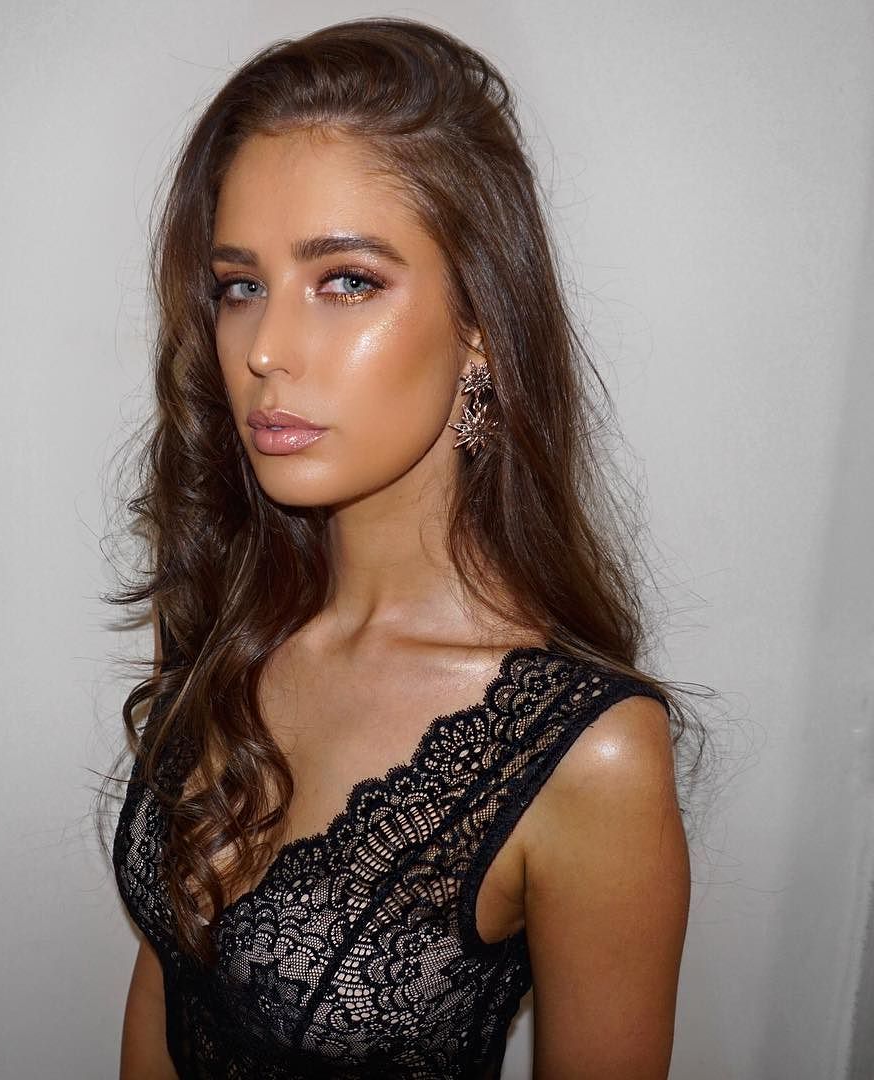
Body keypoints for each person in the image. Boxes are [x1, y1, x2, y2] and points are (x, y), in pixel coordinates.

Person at [107, 16, 694, 1079]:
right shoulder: (225, 619)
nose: (266, 350)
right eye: (240, 286)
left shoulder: (587, 754)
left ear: (480, 327)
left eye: (346, 281)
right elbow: (166, 984)